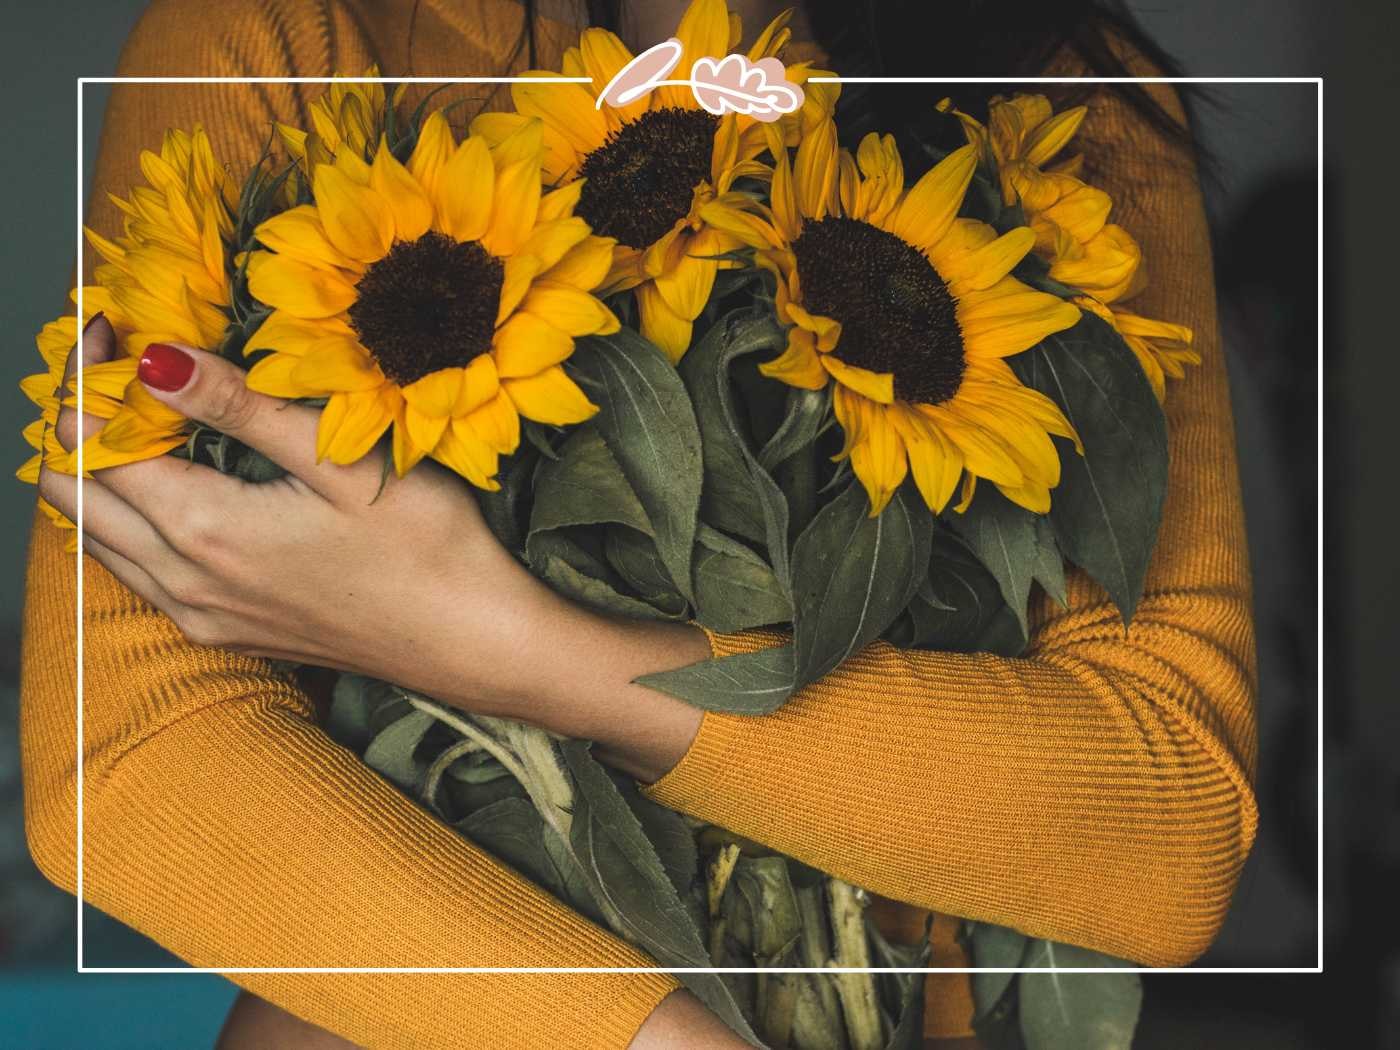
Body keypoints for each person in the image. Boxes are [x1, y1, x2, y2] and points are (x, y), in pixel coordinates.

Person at [22, 0, 1258, 1047]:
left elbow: (1167, 822)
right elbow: (132, 767)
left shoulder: (1049, 100)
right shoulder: (291, 38)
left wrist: (497, 643)